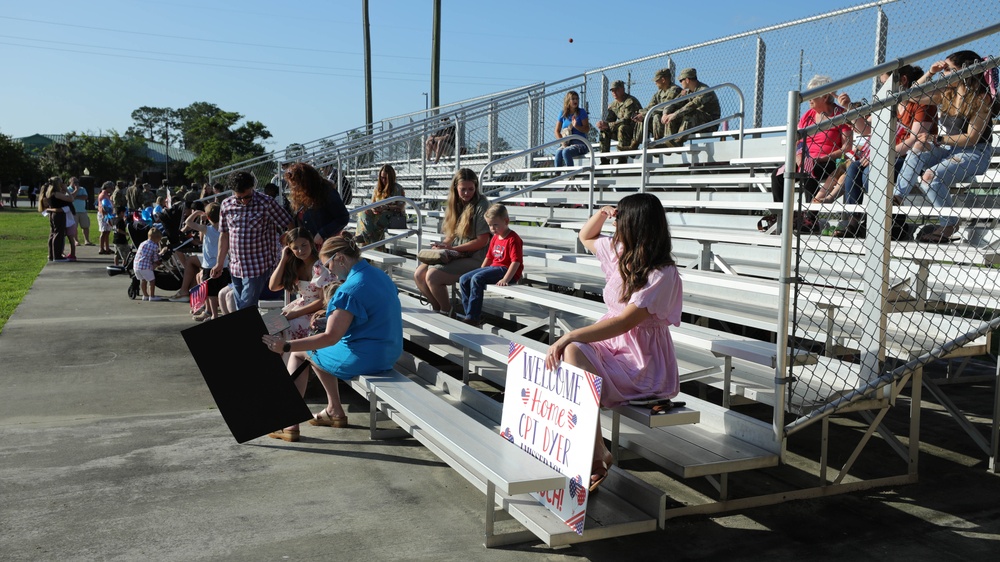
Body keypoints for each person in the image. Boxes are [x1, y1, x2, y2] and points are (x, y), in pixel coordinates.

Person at [545, 193, 683, 492]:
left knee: (571, 347)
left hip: (641, 362)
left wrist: (570, 333)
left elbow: (625, 322)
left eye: (621, 218)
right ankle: (597, 451)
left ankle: (595, 454)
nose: (616, 222)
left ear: (636, 223)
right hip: (614, 347)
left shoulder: (663, 273)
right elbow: (586, 235)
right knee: (572, 352)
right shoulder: (621, 253)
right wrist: (602, 213)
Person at [261, 233, 403, 442]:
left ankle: (289, 423)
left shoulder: (348, 289)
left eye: (329, 266)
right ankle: (334, 410)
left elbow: (330, 337)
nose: (330, 272)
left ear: (340, 259)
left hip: (366, 357)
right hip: (389, 351)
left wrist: (287, 346)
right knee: (314, 349)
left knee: (301, 352)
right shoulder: (379, 275)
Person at [900, 51, 996, 243]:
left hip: (975, 153)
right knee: (919, 144)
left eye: (949, 70)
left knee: (929, 177)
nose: (944, 74)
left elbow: (971, 137)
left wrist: (938, 139)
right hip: (951, 150)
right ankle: (896, 197)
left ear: (965, 72)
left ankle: (949, 223)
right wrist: (930, 73)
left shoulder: (981, 99)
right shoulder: (947, 94)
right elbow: (913, 96)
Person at [770, 74, 852, 233]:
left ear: (825, 96)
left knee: (810, 170)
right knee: (777, 175)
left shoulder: (840, 113)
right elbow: (797, 140)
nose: (809, 98)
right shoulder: (807, 115)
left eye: (813, 94)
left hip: (828, 161)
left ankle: (810, 218)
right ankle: (783, 215)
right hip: (805, 159)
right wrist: (799, 155)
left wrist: (823, 157)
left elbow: (846, 147)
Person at [211, 171, 294, 311]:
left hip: (259, 265)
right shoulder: (226, 205)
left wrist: (287, 236)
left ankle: (242, 331)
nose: (244, 201)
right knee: (242, 306)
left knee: (245, 307)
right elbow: (224, 235)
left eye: (247, 196)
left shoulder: (266, 202)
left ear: (252, 187)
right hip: (236, 266)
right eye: (240, 198)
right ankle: (253, 332)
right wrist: (219, 263)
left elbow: (289, 223)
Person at [413, 168, 491, 315]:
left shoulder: (482, 205)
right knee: (419, 274)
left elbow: (482, 241)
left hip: (478, 258)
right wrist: (443, 245)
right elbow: (452, 235)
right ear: (456, 188)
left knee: (433, 275)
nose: (467, 193)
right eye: (463, 189)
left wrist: (454, 249)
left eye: (471, 189)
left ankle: (446, 312)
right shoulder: (456, 204)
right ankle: (438, 309)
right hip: (459, 253)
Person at [457, 204, 523, 327]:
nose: (492, 228)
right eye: (489, 225)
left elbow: (516, 262)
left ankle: (473, 317)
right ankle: (470, 314)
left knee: (477, 279)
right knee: (464, 279)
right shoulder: (495, 237)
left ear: (506, 221)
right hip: (494, 268)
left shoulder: (513, 239)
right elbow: (489, 257)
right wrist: (481, 270)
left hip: (507, 271)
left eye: (495, 225)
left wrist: (506, 279)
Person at [268, 227, 333, 340]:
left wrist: (295, 313)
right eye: (295, 248)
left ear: (311, 243)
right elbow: (273, 286)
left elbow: (322, 301)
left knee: (286, 327)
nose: (300, 251)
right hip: (300, 305)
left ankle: (289, 356)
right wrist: (283, 259)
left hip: (317, 310)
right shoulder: (297, 265)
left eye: (304, 245)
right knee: (268, 323)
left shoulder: (320, 266)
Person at [284, 162, 350, 246]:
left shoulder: (327, 193)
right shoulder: (300, 195)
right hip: (309, 246)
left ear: (307, 180)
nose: (295, 187)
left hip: (326, 245)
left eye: (297, 182)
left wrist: (322, 233)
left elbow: (343, 217)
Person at [183, 203, 230, 321]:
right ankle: (220, 312)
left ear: (208, 217)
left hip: (209, 265)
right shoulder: (226, 229)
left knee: (210, 292)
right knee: (222, 290)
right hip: (223, 264)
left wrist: (197, 213)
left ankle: (214, 314)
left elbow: (188, 223)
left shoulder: (207, 229)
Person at [661, 68, 722, 146]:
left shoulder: (704, 91)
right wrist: (665, 114)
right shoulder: (688, 91)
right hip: (695, 123)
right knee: (671, 115)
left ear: (687, 80)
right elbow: (674, 103)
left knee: (688, 112)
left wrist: (674, 115)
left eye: (681, 80)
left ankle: (678, 142)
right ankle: (668, 142)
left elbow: (692, 106)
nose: (680, 83)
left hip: (709, 124)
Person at [356, 164, 406, 245]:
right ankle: (366, 237)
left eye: (385, 178)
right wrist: (374, 208)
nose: (383, 180)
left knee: (372, 220)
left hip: (392, 216)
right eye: (381, 177)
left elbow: (401, 207)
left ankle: (365, 237)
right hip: (378, 214)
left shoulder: (398, 188)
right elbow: (372, 204)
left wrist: (386, 207)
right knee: (363, 213)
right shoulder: (377, 188)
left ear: (390, 178)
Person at [596, 80, 643, 164]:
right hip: (623, 132)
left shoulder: (630, 101)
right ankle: (604, 160)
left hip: (634, 131)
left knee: (622, 127)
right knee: (604, 130)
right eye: (612, 91)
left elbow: (627, 120)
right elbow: (610, 120)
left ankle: (622, 159)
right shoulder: (614, 104)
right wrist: (603, 124)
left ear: (622, 89)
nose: (614, 92)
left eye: (616, 90)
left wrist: (608, 125)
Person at [633, 68, 683, 144]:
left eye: (657, 80)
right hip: (660, 122)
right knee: (642, 118)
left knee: (655, 116)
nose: (655, 83)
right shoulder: (659, 93)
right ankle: (635, 143)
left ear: (663, 80)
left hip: (671, 122)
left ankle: (658, 142)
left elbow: (665, 107)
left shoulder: (674, 90)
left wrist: (644, 114)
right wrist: (640, 113)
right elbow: (650, 106)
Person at [39, 177, 76, 262]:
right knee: (58, 235)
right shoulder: (56, 193)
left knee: (53, 233)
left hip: (53, 214)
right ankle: (57, 256)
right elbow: (71, 199)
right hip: (59, 215)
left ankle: (52, 255)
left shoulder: (49, 193)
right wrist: (66, 190)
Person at [553, 90, 592, 168]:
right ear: (568, 101)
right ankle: (557, 175)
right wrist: (562, 142)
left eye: (577, 99)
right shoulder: (562, 113)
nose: (575, 101)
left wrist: (576, 126)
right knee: (558, 152)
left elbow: (587, 129)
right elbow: (557, 131)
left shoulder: (581, 112)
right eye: (573, 99)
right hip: (567, 142)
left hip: (580, 143)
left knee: (566, 152)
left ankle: (571, 174)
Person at [134, 228, 164, 301]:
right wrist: (160, 262)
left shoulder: (143, 243)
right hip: (146, 267)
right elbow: (155, 259)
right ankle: (152, 296)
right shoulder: (154, 246)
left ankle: (145, 295)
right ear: (156, 238)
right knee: (152, 281)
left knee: (143, 280)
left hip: (137, 266)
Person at [67, 177, 93, 246]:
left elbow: (85, 197)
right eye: (74, 182)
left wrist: (75, 196)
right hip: (73, 211)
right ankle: (76, 241)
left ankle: (87, 240)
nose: (76, 183)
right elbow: (70, 198)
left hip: (82, 211)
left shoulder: (82, 189)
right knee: (74, 227)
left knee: (85, 226)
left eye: (77, 182)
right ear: (70, 182)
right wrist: (76, 190)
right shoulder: (67, 189)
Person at [96, 181, 114, 254]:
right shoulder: (103, 195)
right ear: (107, 187)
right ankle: (101, 248)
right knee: (103, 232)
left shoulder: (107, 195)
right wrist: (104, 214)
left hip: (108, 214)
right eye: (111, 188)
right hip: (103, 214)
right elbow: (102, 206)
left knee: (107, 232)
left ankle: (107, 248)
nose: (112, 189)